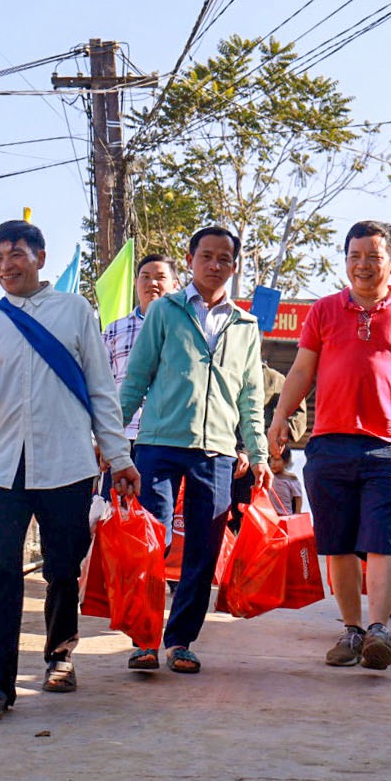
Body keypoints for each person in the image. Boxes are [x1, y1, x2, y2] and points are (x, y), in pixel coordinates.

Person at [0, 219, 140, 721]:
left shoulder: (74, 311)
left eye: (15, 255)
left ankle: (60, 656)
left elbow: (100, 390)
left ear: (40, 258)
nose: (6, 266)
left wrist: (119, 458)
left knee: (63, 569)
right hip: (4, 467)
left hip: (67, 464)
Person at [269, 220, 391, 671]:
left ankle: (379, 630)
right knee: (338, 545)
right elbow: (302, 371)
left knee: (381, 542)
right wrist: (280, 417)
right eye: (355, 256)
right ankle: (352, 630)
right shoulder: (323, 311)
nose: (363, 265)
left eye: (373, 257)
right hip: (328, 445)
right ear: (346, 260)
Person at [119, 226, 272, 674]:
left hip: (217, 452)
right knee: (153, 542)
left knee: (203, 549)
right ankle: (144, 639)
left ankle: (180, 640)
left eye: (224, 258)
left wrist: (258, 453)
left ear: (234, 265)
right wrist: (110, 441)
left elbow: (250, 396)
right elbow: (137, 378)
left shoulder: (245, 326)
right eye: (206, 256)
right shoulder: (164, 311)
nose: (215, 264)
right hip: (158, 445)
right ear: (190, 259)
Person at [101, 253, 181, 468]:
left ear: (175, 285)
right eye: (145, 276)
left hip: (168, 438)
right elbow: (100, 386)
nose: (152, 283)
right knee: (115, 502)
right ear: (136, 283)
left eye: (160, 277)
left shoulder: (186, 330)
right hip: (122, 436)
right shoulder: (115, 330)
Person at [229, 363, 307, 532]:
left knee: (230, 515)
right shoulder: (277, 379)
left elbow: (297, 414)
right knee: (250, 517)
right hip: (256, 457)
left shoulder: (273, 379)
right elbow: (298, 416)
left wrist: (279, 437)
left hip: (240, 456)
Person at [268, 446, 304, 516]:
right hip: (269, 516)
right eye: (271, 459)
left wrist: (297, 514)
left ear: (286, 461)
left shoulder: (291, 478)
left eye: (277, 460)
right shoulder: (268, 476)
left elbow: (298, 498)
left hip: (286, 515)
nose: (273, 463)